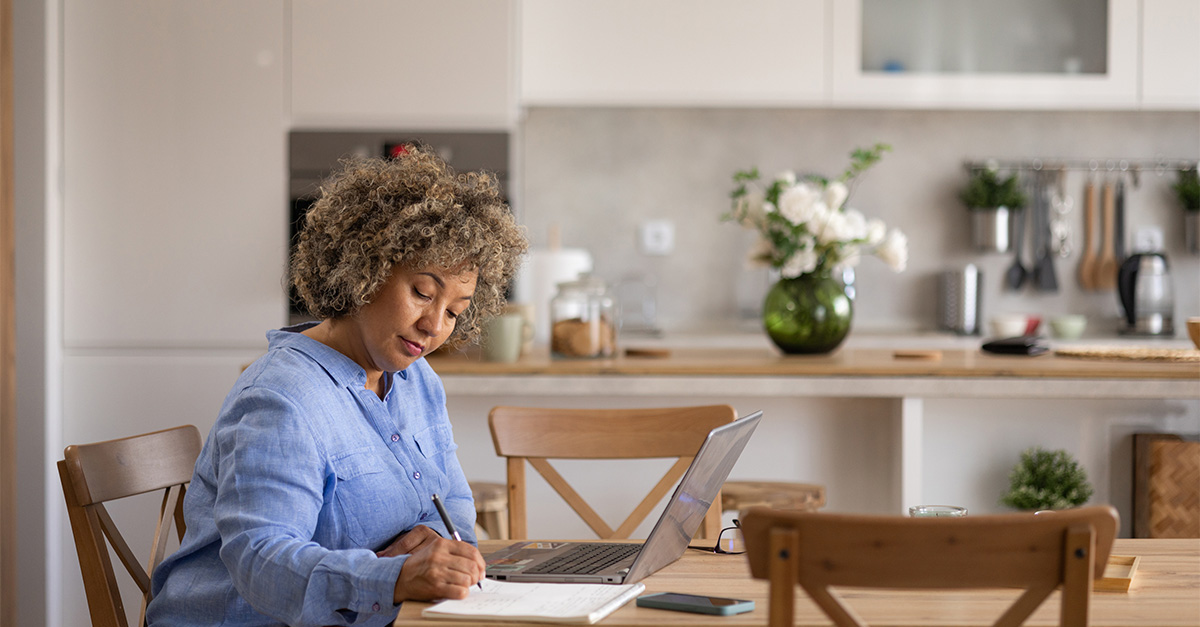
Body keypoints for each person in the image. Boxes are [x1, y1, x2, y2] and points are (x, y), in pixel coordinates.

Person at [147, 146, 528, 626]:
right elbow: (260, 561)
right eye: (422, 293)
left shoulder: (418, 382)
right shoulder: (282, 398)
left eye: (454, 311)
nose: (435, 325)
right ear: (364, 268)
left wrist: (438, 548)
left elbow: (451, 509)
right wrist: (392, 578)